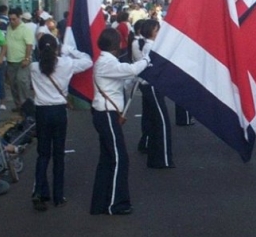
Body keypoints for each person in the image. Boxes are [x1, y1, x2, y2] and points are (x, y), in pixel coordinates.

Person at [91, 27, 150, 216]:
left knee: (107, 159)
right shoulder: (106, 63)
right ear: (116, 45)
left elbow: (123, 81)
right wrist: (147, 60)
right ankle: (115, 203)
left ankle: (100, 202)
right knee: (119, 158)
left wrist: (134, 80)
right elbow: (130, 69)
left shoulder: (107, 62)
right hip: (107, 114)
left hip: (106, 113)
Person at [30, 33, 93, 211]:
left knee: (43, 154)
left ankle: (39, 191)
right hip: (59, 111)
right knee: (59, 154)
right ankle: (58, 196)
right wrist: (68, 49)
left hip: (41, 112)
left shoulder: (34, 67)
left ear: (39, 49)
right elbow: (88, 60)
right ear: (57, 48)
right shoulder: (66, 64)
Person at [133, 20, 174, 169]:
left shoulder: (148, 45)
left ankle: (152, 152)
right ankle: (162, 158)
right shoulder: (151, 46)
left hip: (149, 86)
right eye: (157, 30)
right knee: (162, 122)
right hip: (151, 86)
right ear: (150, 31)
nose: (159, 32)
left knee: (152, 120)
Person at [4, 8, 34, 113]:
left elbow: (29, 45)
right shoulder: (8, 28)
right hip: (10, 61)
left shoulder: (25, 29)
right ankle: (18, 105)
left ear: (19, 18)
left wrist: (26, 58)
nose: (12, 21)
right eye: (10, 19)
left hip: (22, 61)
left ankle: (26, 105)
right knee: (13, 85)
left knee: (22, 82)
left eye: (14, 19)